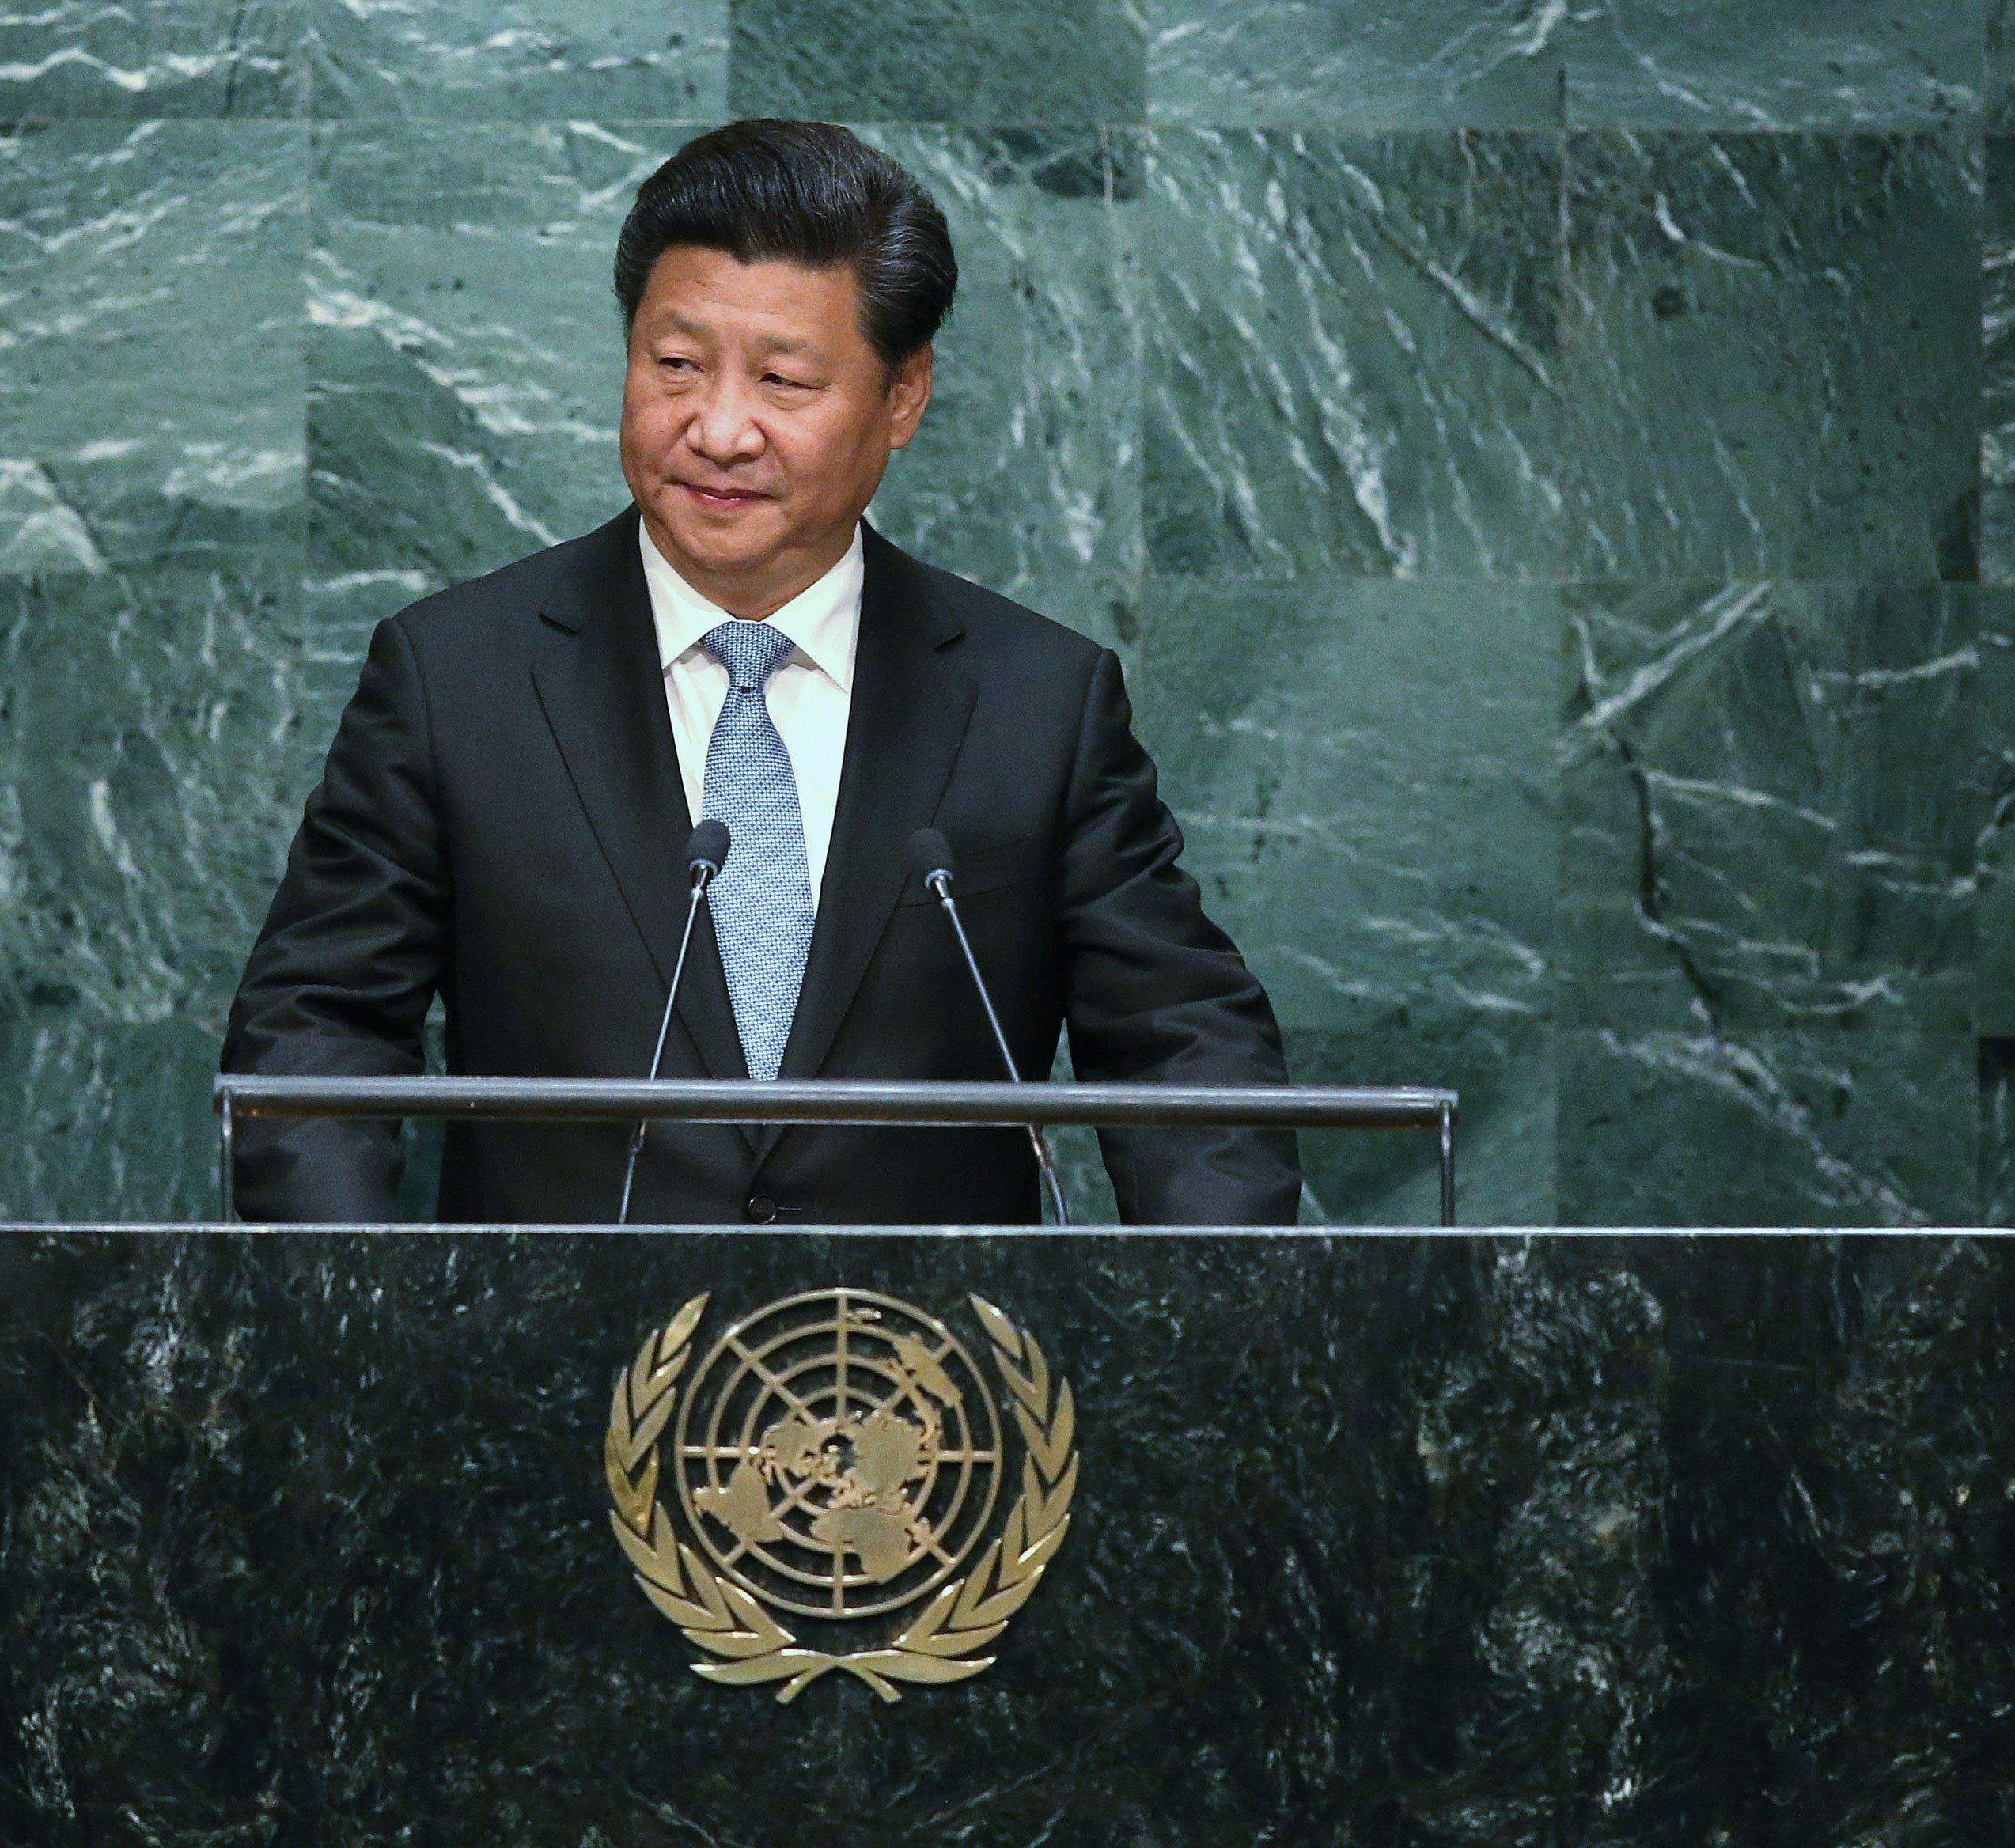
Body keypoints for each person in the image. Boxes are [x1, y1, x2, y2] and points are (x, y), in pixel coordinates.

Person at [222, 119, 1299, 1226]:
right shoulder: (456, 681)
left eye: (783, 381)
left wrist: (1204, 1335)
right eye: (676, 365)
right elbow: (317, 1037)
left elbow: (1187, 1060)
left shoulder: (1038, 703)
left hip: (932, 1386)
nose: (718, 429)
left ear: (903, 397)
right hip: (555, 1380)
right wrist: (360, 1331)